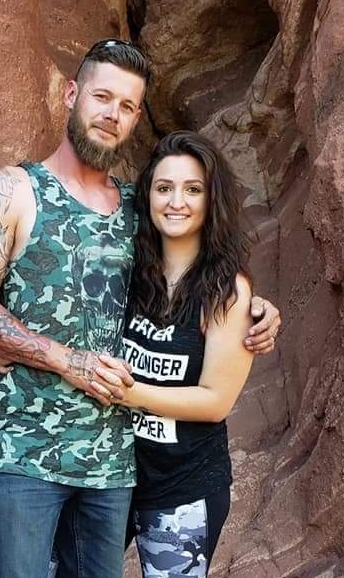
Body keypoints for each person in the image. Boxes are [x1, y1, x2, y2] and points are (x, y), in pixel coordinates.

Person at [0, 39, 280, 578]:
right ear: (71, 94)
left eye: (127, 106)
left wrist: (253, 307)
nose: (112, 114)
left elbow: (194, 261)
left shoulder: (137, 210)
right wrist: (62, 359)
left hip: (112, 464)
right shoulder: (13, 191)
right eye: (102, 97)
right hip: (27, 450)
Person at [103, 130, 257, 577]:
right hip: (109, 476)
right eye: (164, 188)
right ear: (147, 195)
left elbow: (215, 402)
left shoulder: (227, 290)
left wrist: (128, 393)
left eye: (193, 190)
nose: (176, 202)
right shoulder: (127, 270)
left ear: (212, 200)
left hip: (184, 485)